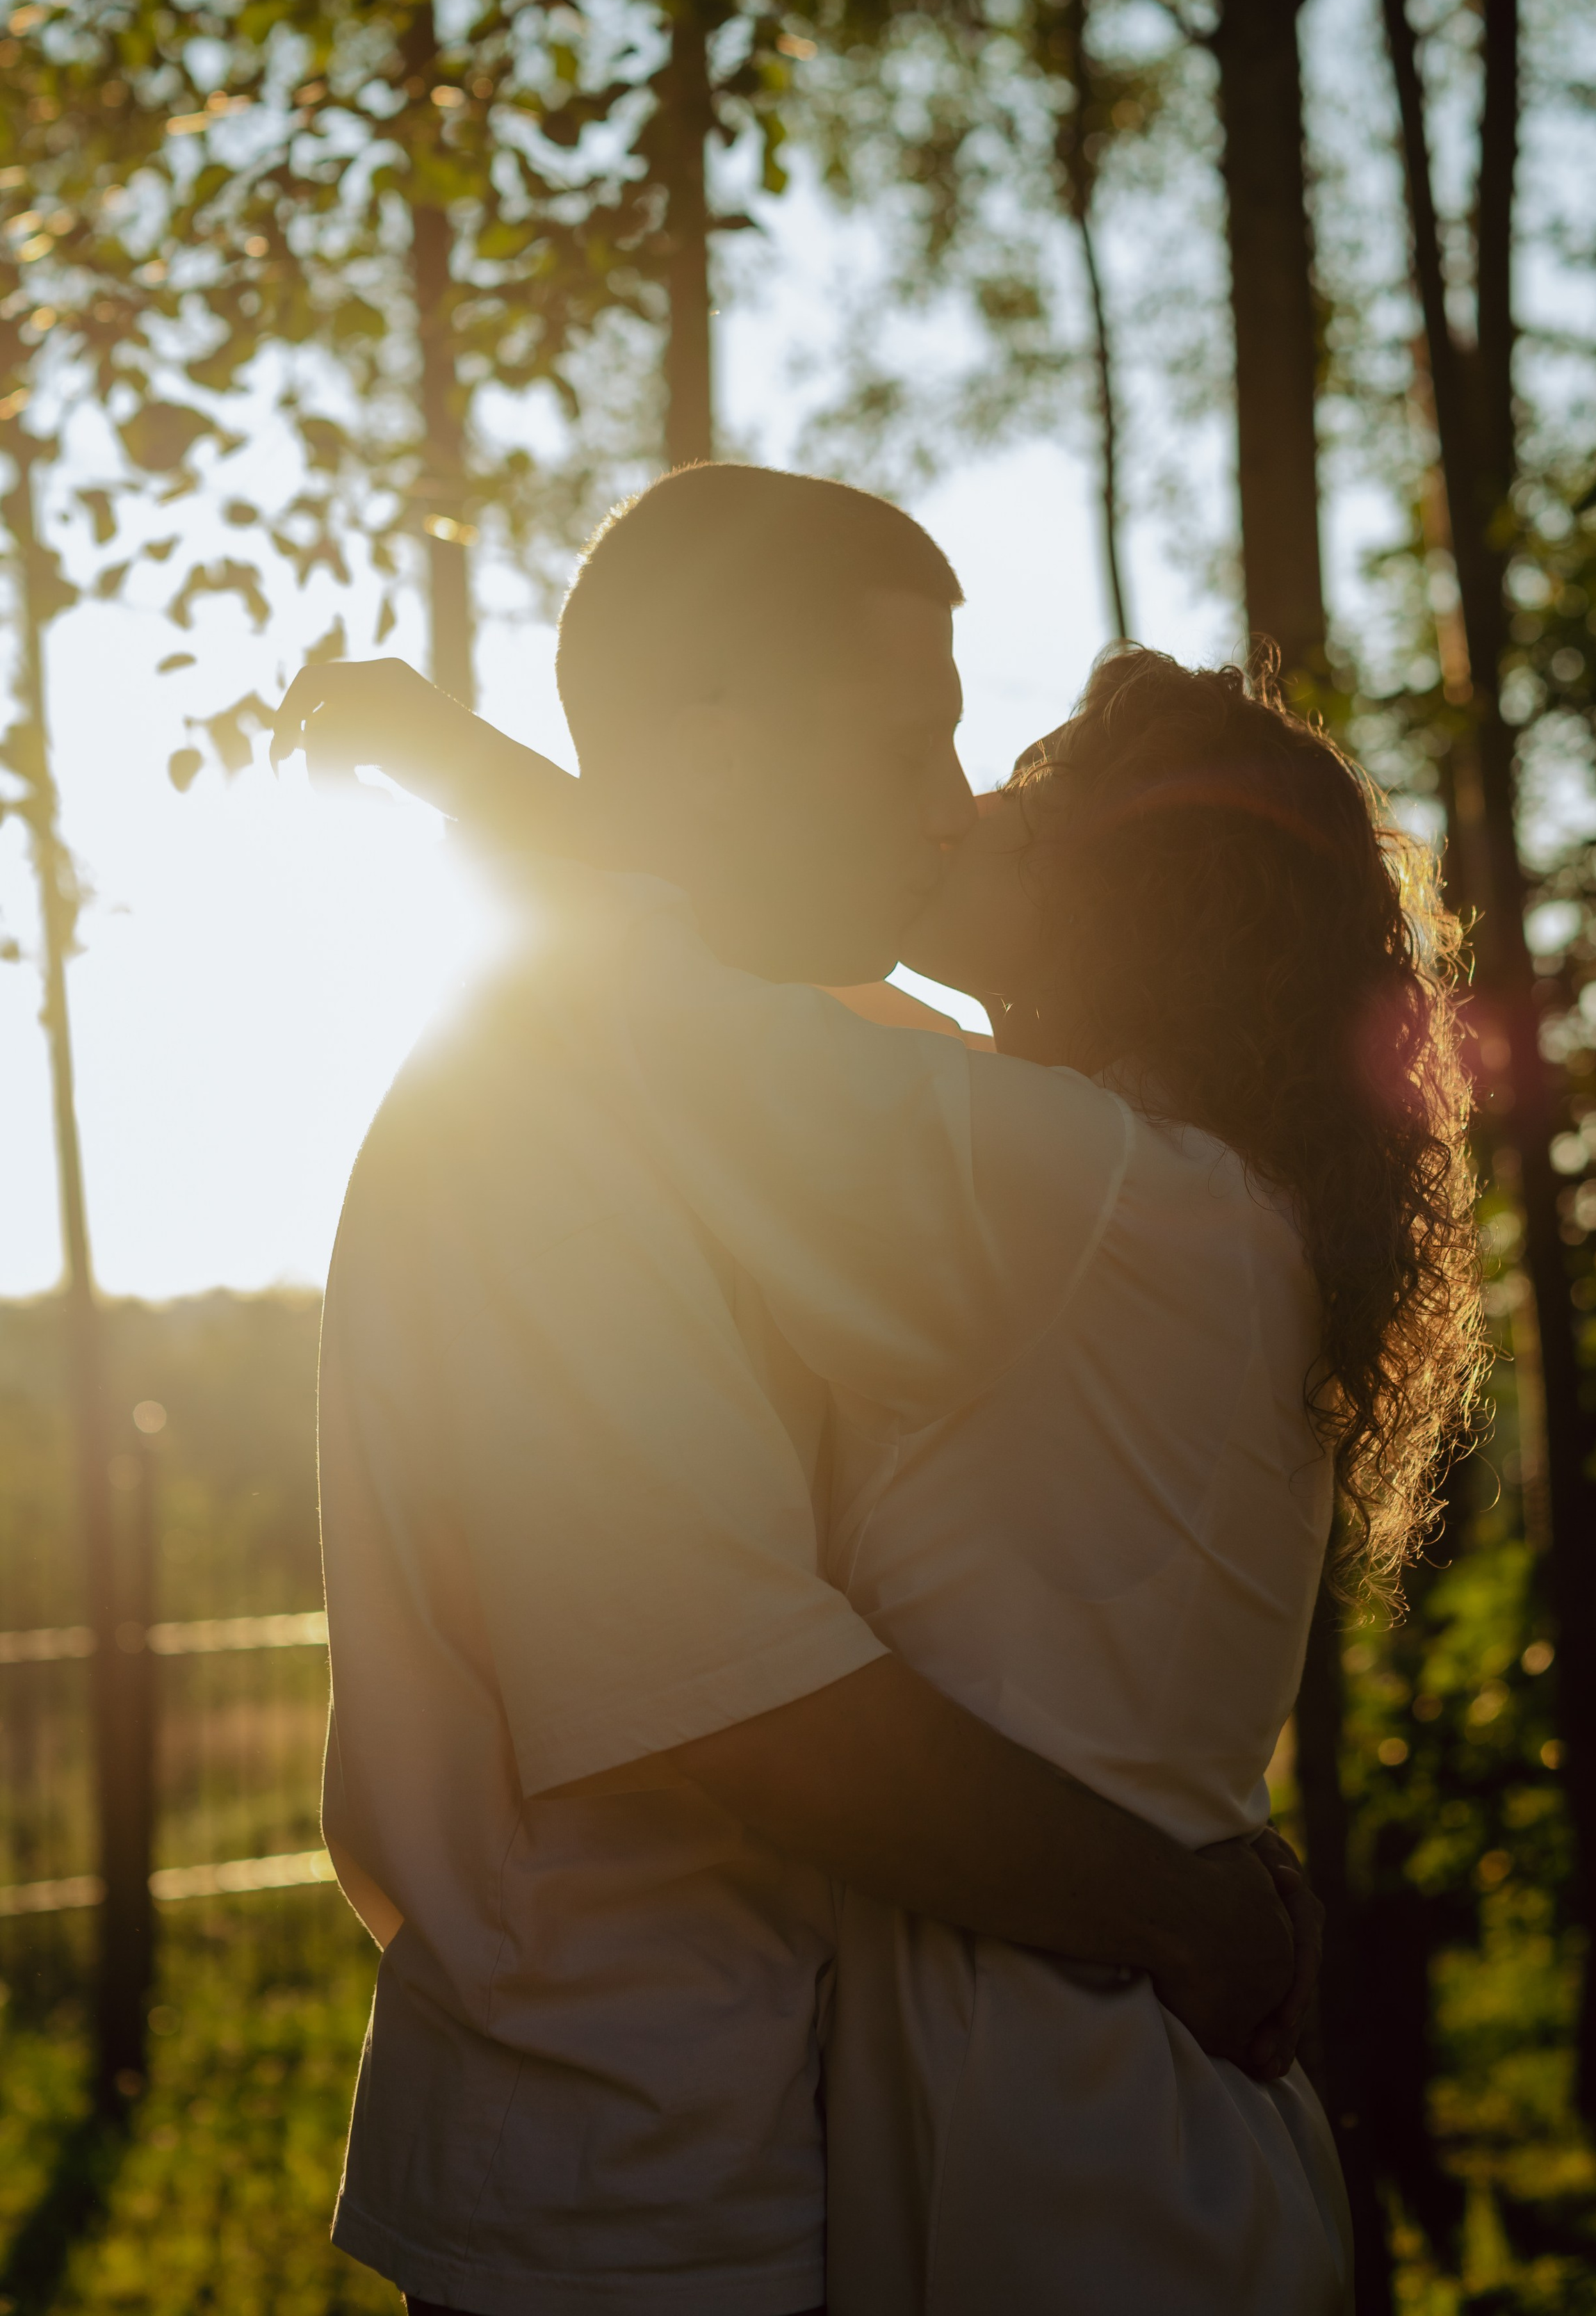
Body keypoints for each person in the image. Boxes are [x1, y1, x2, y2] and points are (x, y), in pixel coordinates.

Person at [279, 464, 1312, 2316]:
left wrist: (468, 767)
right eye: (912, 744)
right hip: (640, 2182)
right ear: (716, 746)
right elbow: (731, 1699)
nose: (946, 810)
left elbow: (707, 991)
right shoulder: (557, 1117)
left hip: (805, 2138)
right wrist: (1181, 1905)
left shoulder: (864, 1096)